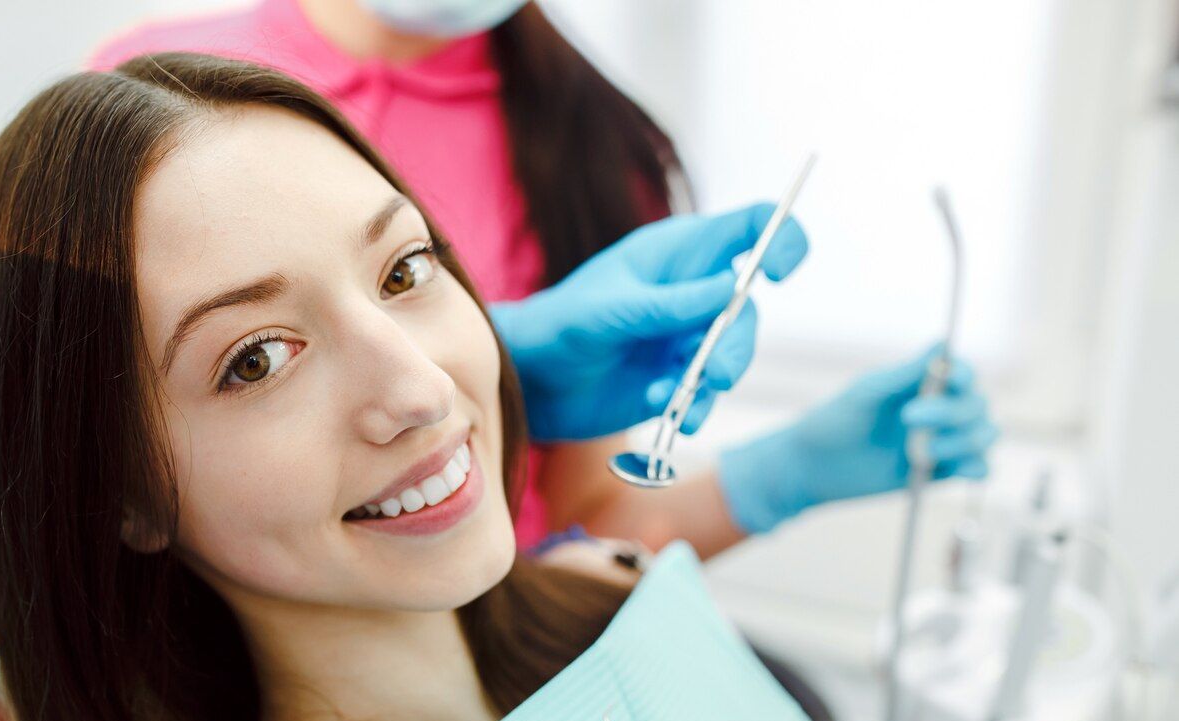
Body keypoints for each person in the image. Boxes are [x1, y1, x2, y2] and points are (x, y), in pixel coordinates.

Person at [0, 53, 845, 721]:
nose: (418, 388)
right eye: (257, 360)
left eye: (404, 271)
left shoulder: (619, 594)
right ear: (122, 496)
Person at [88, 0, 998, 559]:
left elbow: (582, 522)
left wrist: (787, 474)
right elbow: (78, 449)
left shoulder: (593, 150)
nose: (412, 395)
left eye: (411, 272)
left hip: (491, 658)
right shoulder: (152, 97)